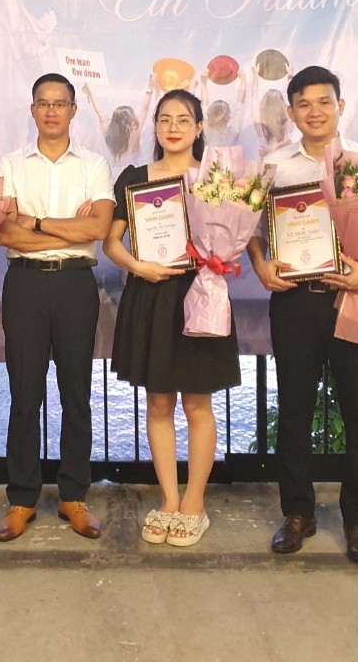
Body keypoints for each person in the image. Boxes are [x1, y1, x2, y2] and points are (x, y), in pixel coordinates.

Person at [246, 65, 358, 563]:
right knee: (294, 411)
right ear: (291, 112)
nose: (314, 112)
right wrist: (261, 265)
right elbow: (250, 228)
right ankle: (298, 513)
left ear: (341, 105)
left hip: (353, 298)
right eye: (304, 104)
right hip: (294, 301)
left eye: (324, 102)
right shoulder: (274, 166)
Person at [104, 89, 240, 546]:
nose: (174, 127)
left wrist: (217, 258)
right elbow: (111, 243)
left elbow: (234, 237)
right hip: (151, 295)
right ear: (155, 127)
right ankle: (168, 500)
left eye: (184, 119)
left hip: (199, 295)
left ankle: (195, 504)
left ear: (199, 128)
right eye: (165, 119)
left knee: (198, 405)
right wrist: (138, 266)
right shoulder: (134, 178)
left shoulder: (216, 178)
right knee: (159, 404)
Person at [0, 74, 115, 542]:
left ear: (73, 111)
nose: (50, 111)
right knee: (24, 395)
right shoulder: (11, 163)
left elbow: (97, 229)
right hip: (24, 284)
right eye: (42, 103)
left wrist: (37, 222)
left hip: (75, 285)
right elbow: (3, 233)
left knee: (76, 393)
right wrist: (68, 229)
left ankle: (73, 496)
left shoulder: (94, 165)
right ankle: (22, 499)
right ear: (32, 110)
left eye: (59, 103)